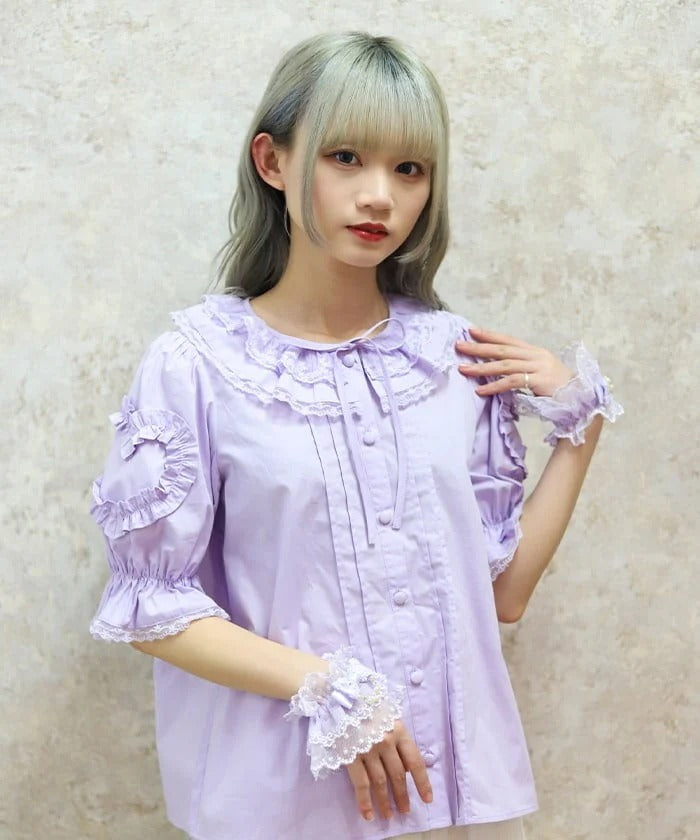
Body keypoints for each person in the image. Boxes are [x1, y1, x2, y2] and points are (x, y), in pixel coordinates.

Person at [87, 31, 623, 840]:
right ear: (272, 161)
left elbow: (502, 596)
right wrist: (328, 685)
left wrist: (580, 427)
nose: (380, 196)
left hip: (442, 804)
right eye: (345, 158)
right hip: (281, 803)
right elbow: (149, 605)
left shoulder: (453, 361)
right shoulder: (197, 365)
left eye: (409, 168)